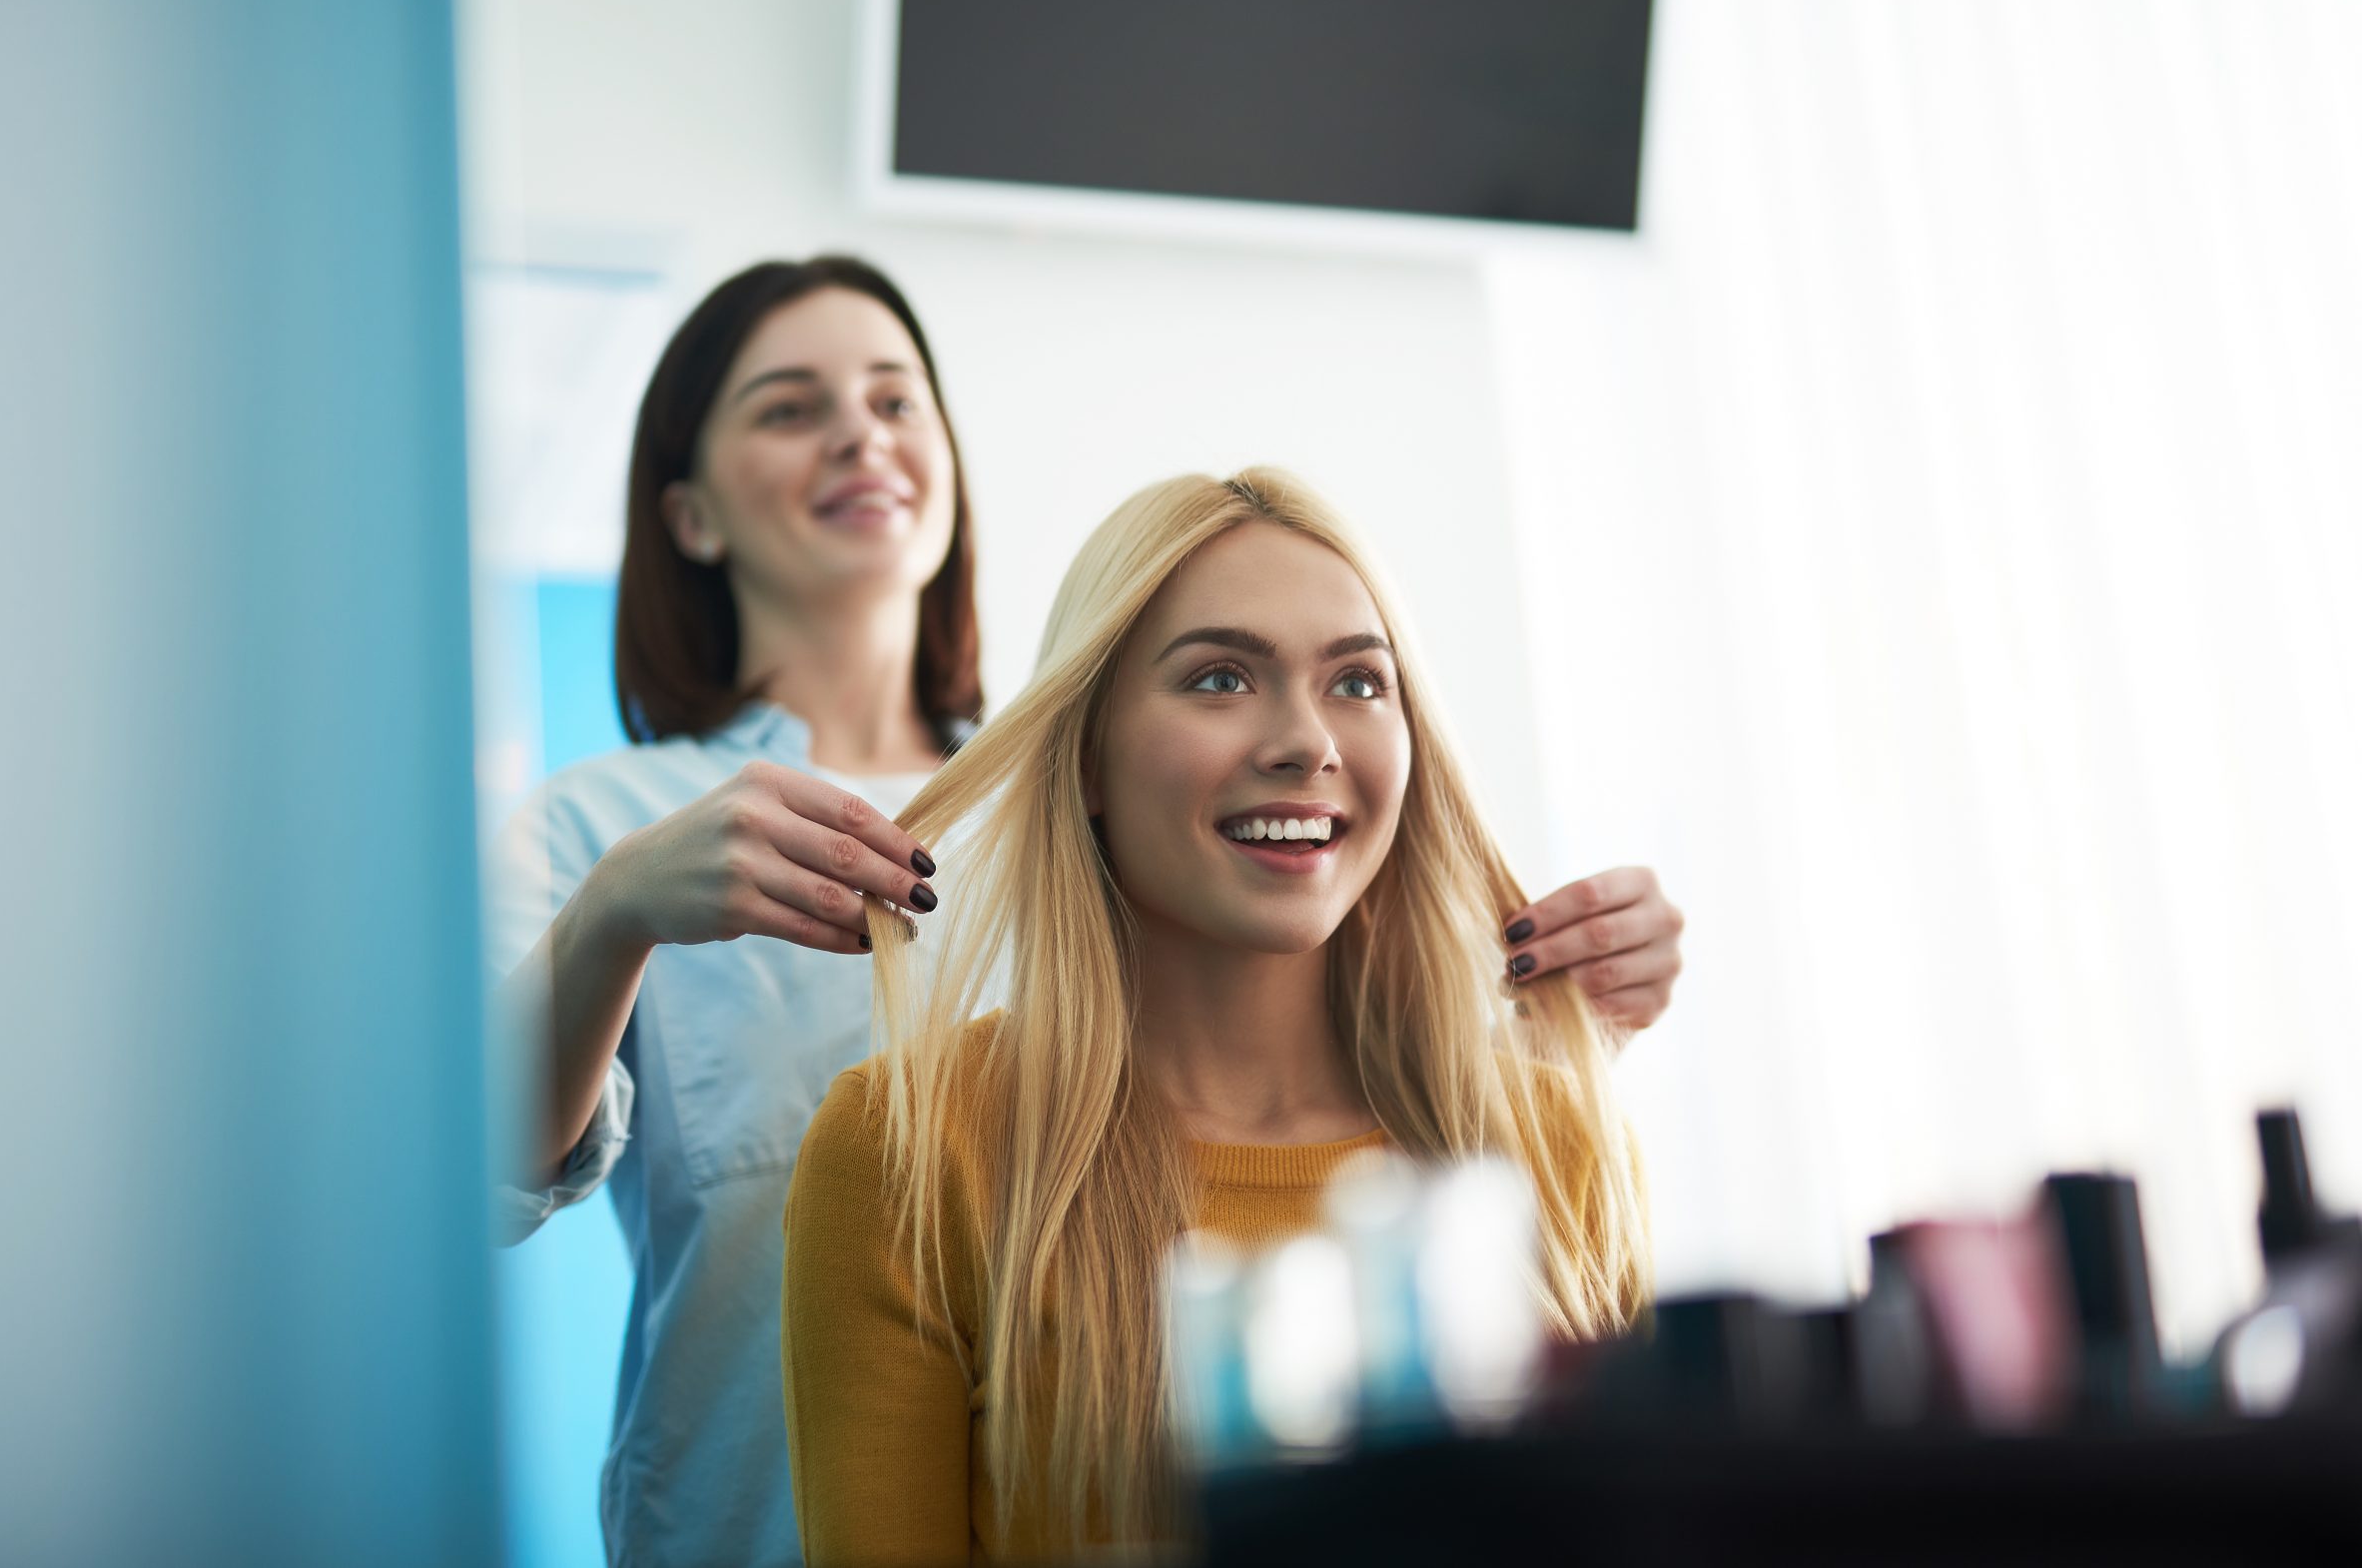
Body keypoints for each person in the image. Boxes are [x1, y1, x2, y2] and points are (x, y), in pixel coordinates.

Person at [490, 258, 1683, 1568]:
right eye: (791, 407)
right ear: (690, 514)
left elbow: (1296, 1042)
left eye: (897, 401)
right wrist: (615, 917)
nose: (858, 435)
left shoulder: (1097, 779)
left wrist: (1561, 1035)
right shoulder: (607, 832)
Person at [781, 467, 1655, 1565]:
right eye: (1221, 677)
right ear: (1088, 753)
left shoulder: (1560, 1144)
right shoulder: (904, 1152)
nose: (1306, 740)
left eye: (1358, 682)